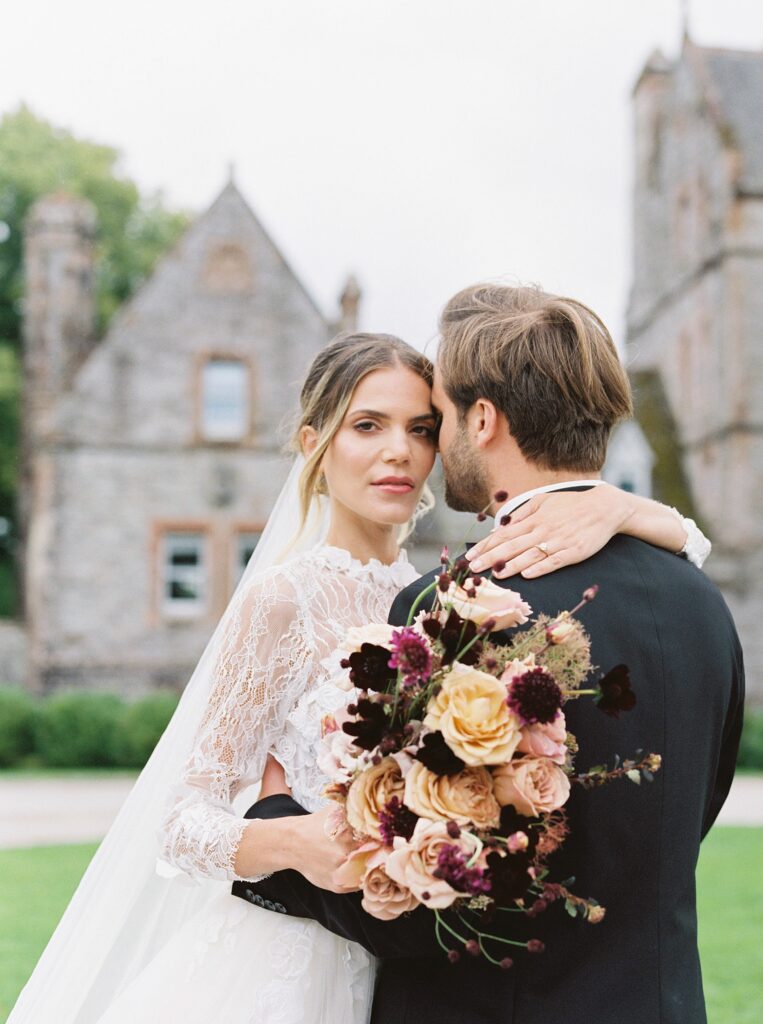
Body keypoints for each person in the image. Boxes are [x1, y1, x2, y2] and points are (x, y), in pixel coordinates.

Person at [9, 329, 712, 1024]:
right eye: (366, 425)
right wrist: (294, 842)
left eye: (420, 427)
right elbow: (179, 819)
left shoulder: (451, 600)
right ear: (313, 444)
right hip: (285, 963)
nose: (397, 451)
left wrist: (634, 509)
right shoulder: (287, 597)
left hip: (404, 964)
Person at [244, 287, 743, 1024]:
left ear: (482, 420)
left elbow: (422, 908)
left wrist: (272, 822)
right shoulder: (701, 600)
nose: (430, 445)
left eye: (438, 416)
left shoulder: (450, 610)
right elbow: (686, 817)